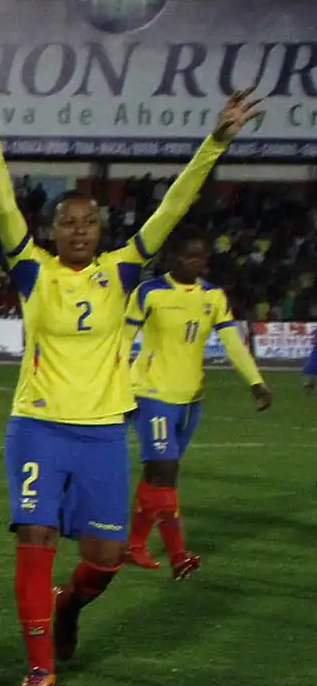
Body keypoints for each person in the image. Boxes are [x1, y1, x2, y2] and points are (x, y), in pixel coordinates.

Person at [0, 82, 259, 686]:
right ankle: (40, 665)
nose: (78, 230)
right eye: (68, 222)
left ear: (100, 230)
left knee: (104, 556)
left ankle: (70, 607)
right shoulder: (31, 270)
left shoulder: (123, 269)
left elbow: (172, 210)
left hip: (101, 433)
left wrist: (216, 142)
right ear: (54, 229)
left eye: (88, 222)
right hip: (37, 427)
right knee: (35, 538)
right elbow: (3, 208)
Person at [122, 232, 271, 574]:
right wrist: (116, 386)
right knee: (165, 471)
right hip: (153, 393)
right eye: (191, 257)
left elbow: (232, 341)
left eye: (202, 258)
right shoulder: (150, 292)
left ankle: (134, 544)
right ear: (174, 257)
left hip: (191, 400)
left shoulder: (212, 296)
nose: (198, 263)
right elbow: (122, 340)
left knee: (157, 476)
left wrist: (255, 381)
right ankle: (179, 555)